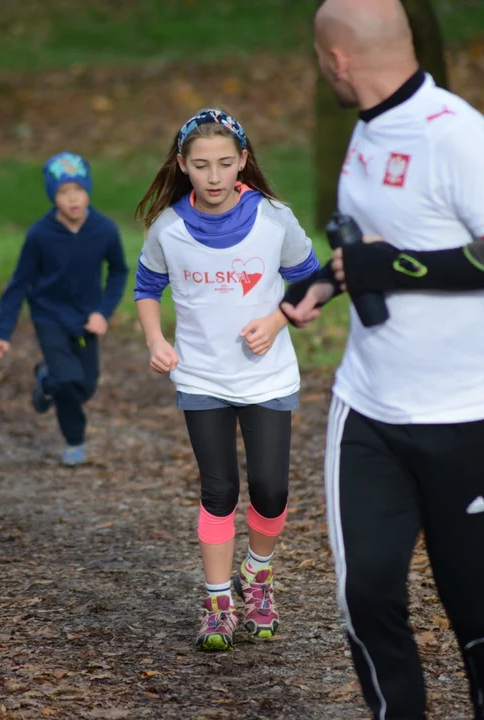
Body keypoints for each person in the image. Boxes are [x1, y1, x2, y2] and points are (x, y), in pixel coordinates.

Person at [281, 0, 484, 717]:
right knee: (363, 592)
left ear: (337, 60)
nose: (322, 71)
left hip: (473, 412)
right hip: (368, 406)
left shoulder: (459, 135)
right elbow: (374, 244)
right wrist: (326, 282)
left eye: (319, 60)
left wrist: (388, 267)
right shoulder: (367, 129)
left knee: (475, 609)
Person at [133, 109, 321, 651]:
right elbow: (147, 288)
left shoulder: (274, 219)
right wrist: (155, 341)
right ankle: (218, 603)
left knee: (271, 487)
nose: (213, 177)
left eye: (223, 163)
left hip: (268, 378)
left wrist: (277, 319)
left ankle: (256, 576)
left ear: (242, 161)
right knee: (219, 491)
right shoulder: (167, 228)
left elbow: (310, 281)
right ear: (182, 166)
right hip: (202, 378)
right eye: (200, 166)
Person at [0, 152, 128, 467]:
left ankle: (45, 379)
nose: (73, 199)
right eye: (64, 193)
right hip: (49, 315)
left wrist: (103, 312)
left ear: (88, 191)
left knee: (86, 385)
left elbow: (119, 271)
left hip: (86, 318)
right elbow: (19, 283)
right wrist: (3, 332)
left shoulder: (104, 230)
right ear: (53, 197)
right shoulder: (40, 235)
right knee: (68, 381)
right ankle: (75, 441)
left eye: (78, 190)